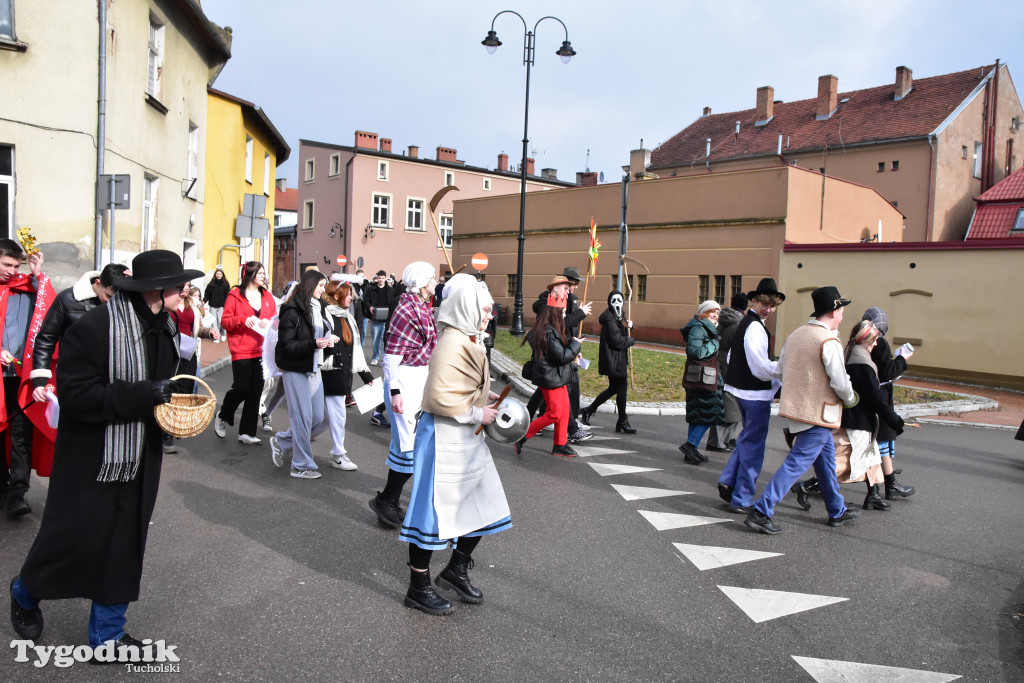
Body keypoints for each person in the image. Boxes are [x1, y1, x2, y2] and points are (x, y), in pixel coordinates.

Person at [10, 250, 200, 654]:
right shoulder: (95, 327)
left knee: (124, 545)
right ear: (155, 290)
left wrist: (174, 396)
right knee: (70, 539)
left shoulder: (165, 325)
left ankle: (107, 637)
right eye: (178, 285)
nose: (185, 291)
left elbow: (166, 379)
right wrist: (146, 394)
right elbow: (79, 397)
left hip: (139, 455)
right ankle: (24, 592)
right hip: (91, 458)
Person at [398, 274, 509, 615]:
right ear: (466, 307)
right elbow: (438, 397)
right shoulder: (452, 343)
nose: (489, 315)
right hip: (443, 437)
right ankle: (417, 588)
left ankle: (456, 569)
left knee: (483, 501)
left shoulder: (468, 339)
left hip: (465, 437)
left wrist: (481, 395)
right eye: (484, 309)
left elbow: (461, 384)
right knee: (432, 513)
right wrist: (478, 413)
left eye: (490, 310)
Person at [744, 286, 862, 535]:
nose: (842, 315)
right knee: (796, 464)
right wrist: (851, 398)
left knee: (826, 463)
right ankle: (761, 510)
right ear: (833, 310)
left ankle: (836, 510)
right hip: (819, 413)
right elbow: (840, 382)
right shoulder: (828, 340)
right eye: (841, 310)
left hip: (799, 411)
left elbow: (779, 370)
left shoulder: (797, 334)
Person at [368, 262, 438, 527]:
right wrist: (394, 391)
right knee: (408, 449)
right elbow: (390, 358)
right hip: (405, 382)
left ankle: (388, 501)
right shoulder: (406, 308)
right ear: (421, 281)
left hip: (418, 380)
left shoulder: (421, 306)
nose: (435, 281)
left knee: (411, 447)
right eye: (431, 277)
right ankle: (387, 501)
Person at [717, 279, 784, 514]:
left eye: (772, 305)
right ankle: (742, 497)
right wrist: (780, 371)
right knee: (753, 446)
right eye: (764, 303)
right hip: (754, 393)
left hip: (743, 390)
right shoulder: (754, 326)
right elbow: (758, 366)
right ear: (753, 301)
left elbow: (731, 358)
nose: (768, 309)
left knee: (747, 439)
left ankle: (729, 482)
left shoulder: (747, 322)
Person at [0, 239, 55, 519]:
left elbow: (49, 310)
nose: (12, 270)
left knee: (21, 433)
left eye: (16, 265)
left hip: (20, 376)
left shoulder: (29, 288)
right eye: (6, 264)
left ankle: (17, 494)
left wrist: (37, 274)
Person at [268, 270, 335, 479]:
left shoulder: (320, 308)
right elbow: (286, 345)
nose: (323, 290)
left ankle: (282, 442)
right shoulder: (291, 310)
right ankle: (300, 465)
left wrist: (329, 343)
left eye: (324, 286)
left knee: (322, 418)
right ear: (310, 285)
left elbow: (321, 336)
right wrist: (314, 343)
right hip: (296, 368)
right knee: (302, 419)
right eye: (321, 286)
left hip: (314, 365)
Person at [836, 319, 907, 511]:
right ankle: (809, 486)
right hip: (858, 420)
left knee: (872, 458)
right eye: (874, 340)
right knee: (843, 463)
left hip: (859, 419)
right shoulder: (862, 363)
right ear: (866, 339)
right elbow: (875, 397)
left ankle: (873, 495)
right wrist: (894, 420)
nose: (876, 344)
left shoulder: (853, 355)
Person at [515, 283, 582, 457]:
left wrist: (574, 355)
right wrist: (576, 345)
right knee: (554, 413)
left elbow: (560, 353)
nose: (565, 316)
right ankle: (522, 436)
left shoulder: (553, 328)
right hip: (549, 377)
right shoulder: (547, 331)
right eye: (563, 313)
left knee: (565, 409)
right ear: (555, 313)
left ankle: (560, 445)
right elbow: (560, 356)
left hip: (557, 374)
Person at [527, 269, 593, 444]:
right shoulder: (546, 306)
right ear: (555, 288)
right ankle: (526, 432)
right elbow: (558, 329)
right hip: (553, 361)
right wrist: (574, 343)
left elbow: (562, 329)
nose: (570, 289)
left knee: (559, 400)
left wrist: (573, 345)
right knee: (556, 408)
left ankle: (561, 441)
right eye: (567, 286)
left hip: (562, 355)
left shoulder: (567, 300)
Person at [215, 261, 276, 445]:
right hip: (241, 349)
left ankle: (247, 433)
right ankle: (223, 414)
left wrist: (270, 322)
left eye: (264, 273)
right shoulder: (234, 295)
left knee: (256, 391)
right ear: (250, 274)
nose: (264, 276)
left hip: (261, 350)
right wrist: (242, 319)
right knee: (242, 387)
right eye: (261, 273)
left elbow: (276, 319)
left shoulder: (267, 296)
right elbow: (225, 321)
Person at [320, 279, 373, 471]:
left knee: (325, 419)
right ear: (336, 296)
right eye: (348, 293)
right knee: (334, 417)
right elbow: (319, 346)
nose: (351, 297)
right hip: (329, 373)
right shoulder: (324, 315)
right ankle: (338, 454)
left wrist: (368, 379)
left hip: (343, 375)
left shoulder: (347, 316)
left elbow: (356, 351)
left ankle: (285, 441)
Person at [863, 306, 915, 496]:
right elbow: (888, 372)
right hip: (878, 399)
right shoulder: (879, 343)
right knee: (878, 445)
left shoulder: (855, 341)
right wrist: (902, 359)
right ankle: (879, 489)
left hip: (865, 398)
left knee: (878, 446)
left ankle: (886, 485)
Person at [579, 290, 636, 433]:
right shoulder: (609, 320)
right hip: (614, 360)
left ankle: (590, 410)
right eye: (614, 301)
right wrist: (631, 340)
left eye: (620, 300)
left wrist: (629, 327)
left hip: (618, 359)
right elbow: (617, 341)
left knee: (614, 389)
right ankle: (621, 420)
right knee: (621, 388)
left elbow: (621, 331)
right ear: (609, 303)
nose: (617, 304)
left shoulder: (618, 315)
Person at [679, 301, 725, 464]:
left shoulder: (706, 328)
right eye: (712, 312)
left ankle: (691, 451)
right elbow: (695, 351)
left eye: (718, 312)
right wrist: (715, 343)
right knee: (711, 414)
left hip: (703, 376)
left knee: (697, 415)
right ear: (704, 313)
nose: (715, 315)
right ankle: (690, 445)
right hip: (703, 378)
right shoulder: (699, 327)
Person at [706, 292, 747, 452]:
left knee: (727, 403)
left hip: (720, 364)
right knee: (728, 405)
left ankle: (727, 438)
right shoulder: (739, 324)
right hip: (730, 367)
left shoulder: (724, 318)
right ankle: (718, 441)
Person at [363, 270, 394, 366]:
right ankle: (375, 357)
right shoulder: (371, 289)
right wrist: (370, 307)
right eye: (379, 278)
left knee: (384, 339)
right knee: (375, 339)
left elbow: (393, 302)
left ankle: (384, 358)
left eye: (382, 278)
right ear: (377, 278)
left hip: (386, 318)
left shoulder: (390, 290)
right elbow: (366, 300)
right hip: (375, 317)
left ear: (385, 278)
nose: (381, 280)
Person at [203, 267, 230, 342]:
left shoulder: (225, 284)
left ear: (222, 275)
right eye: (217, 274)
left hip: (222, 306)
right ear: (215, 275)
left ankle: (223, 334)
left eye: (220, 274)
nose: (218, 275)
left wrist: (227, 304)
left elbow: (228, 295)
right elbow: (207, 293)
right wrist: (204, 301)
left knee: (221, 321)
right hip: (212, 305)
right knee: (213, 321)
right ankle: (216, 336)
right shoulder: (211, 283)